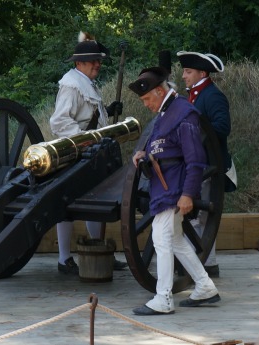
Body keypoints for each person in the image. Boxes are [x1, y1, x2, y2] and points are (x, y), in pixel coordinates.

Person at [129, 66, 220, 315]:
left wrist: (188, 194)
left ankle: (163, 298)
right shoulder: (166, 112)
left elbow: (195, 160)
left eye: (148, 98)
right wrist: (143, 154)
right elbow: (163, 147)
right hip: (164, 186)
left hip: (175, 188)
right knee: (176, 240)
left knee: (161, 237)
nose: (146, 104)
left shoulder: (184, 113)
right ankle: (205, 286)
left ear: (159, 91)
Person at [49, 31, 127, 274]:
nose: (97, 64)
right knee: (65, 206)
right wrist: (85, 140)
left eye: (99, 60)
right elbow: (59, 122)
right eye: (93, 60)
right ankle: (64, 260)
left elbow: (90, 114)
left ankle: (98, 248)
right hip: (75, 152)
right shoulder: (71, 85)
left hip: (91, 152)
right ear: (78, 63)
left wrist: (108, 111)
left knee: (97, 200)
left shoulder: (85, 82)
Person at [177, 51, 238, 278]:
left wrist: (194, 136)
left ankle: (207, 263)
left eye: (188, 71)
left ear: (202, 73)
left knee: (202, 217)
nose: (184, 76)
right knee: (197, 216)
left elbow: (222, 127)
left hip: (209, 164)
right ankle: (206, 262)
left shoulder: (212, 96)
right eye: (184, 71)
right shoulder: (195, 95)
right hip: (198, 164)